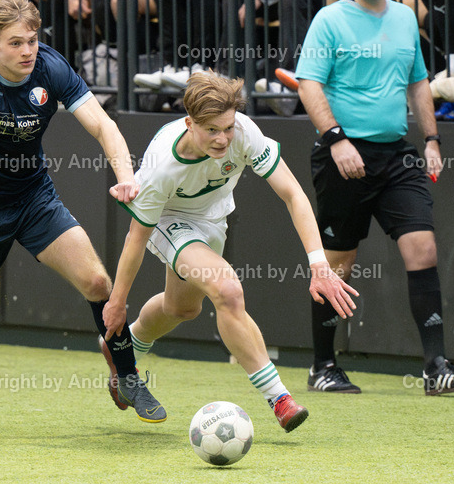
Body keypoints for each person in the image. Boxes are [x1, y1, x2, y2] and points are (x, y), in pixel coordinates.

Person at [0, 0, 166, 422]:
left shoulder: (50, 68)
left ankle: (128, 376)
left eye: (33, 40)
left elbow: (103, 125)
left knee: (97, 282)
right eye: (15, 43)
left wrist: (126, 176)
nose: (27, 51)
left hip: (32, 197)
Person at [102, 70, 359, 432]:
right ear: (189, 124)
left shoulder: (245, 132)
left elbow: (293, 194)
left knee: (182, 309)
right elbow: (135, 237)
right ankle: (280, 399)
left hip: (214, 218)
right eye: (212, 130)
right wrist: (116, 302)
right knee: (227, 290)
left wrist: (319, 265)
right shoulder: (163, 166)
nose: (223, 139)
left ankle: (126, 346)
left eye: (228, 128)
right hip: (168, 219)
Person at [295, 0, 454, 396]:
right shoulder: (329, 20)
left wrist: (432, 139)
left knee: (423, 249)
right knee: (338, 264)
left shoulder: (403, 18)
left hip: (396, 154)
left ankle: (436, 368)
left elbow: (418, 83)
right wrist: (336, 139)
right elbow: (308, 84)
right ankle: (323, 366)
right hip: (342, 155)